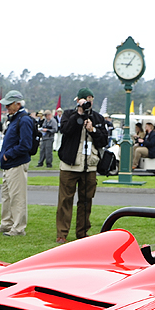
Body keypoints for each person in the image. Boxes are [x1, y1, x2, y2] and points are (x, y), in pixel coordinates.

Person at [56, 87, 109, 244]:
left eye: (90, 100)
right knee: (65, 200)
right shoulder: (68, 115)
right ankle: (62, 233)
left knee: (86, 200)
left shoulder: (98, 118)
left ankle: (82, 232)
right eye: (85, 100)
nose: (88, 103)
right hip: (69, 165)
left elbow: (104, 141)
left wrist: (92, 130)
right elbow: (65, 130)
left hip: (89, 165)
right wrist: (78, 114)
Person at [0, 91, 33, 237]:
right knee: (7, 196)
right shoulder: (15, 119)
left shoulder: (24, 120)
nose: (6, 108)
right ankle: (7, 223)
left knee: (17, 197)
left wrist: (8, 155)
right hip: (9, 164)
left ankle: (18, 228)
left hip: (16, 163)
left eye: (9, 105)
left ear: (18, 104)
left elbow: (25, 145)